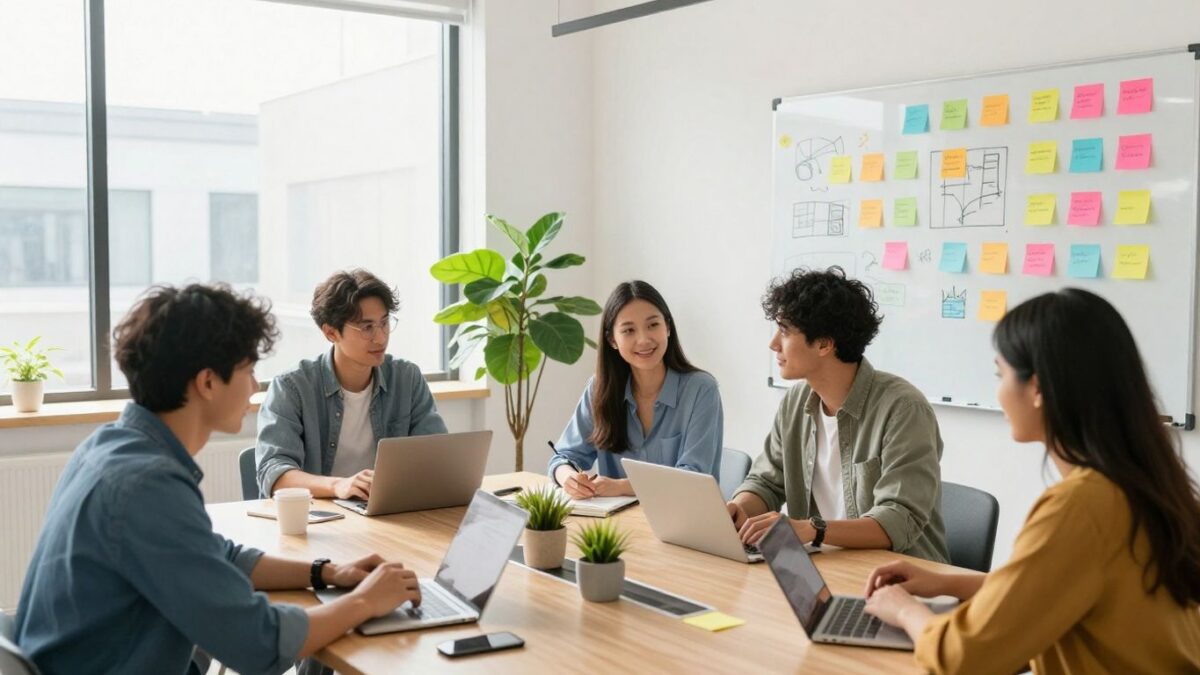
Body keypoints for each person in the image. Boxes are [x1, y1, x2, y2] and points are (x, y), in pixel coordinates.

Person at [15, 284, 422, 675]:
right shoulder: (146, 486)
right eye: (247, 369)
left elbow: (217, 556)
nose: (256, 385)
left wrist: (328, 572)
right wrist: (366, 602)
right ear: (208, 382)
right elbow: (259, 643)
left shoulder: (113, 446)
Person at [864, 288, 1200, 673]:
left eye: (1000, 373)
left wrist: (904, 611)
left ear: (1037, 388)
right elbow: (1048, 593)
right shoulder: (1142, 482)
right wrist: (945, 582)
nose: (998, 390)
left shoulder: (1081, 507)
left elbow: (962, 658)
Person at [728, 267, 948, 562]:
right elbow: (766, 482)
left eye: (784, 331)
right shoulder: (795, 402)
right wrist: (739, 508)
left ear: (824, 344)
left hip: (902, 578)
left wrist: (812, 529)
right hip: (824, 566)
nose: (773, 345)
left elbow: (898, 519)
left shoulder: (904, 409)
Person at [256, 269, 446, 499]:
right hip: (319, 521)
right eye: (367, 328)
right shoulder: (292, 388)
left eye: (384, 323)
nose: (381, 338)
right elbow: (275, 474)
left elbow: (436, 458)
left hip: (386, 516)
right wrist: (339, 486)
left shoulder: (407, 378)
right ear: (331, 332)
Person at [549, 280, 723, 498]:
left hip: (686, 526)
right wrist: (568, 478)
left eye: (653, 325)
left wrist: (620, 487)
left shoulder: (701, 390)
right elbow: (564, 456)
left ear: (667, 327)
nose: (643, 339)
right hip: (620, 524)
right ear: (612, 339)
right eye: (629, 330)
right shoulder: (600, 389)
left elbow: (693, 477)